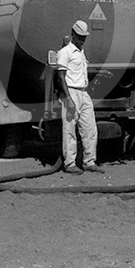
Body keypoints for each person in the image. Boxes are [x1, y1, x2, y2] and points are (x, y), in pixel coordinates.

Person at [55, 20, 104, 175]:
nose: (82, 39)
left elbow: (80, 73)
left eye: (84, 37)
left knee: (90, 128)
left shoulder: (81, 53)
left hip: (83, 92)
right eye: (80, 36)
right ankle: (70, 163)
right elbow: (61, 76)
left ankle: (89, 161)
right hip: (71, 92)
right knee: (69, 129)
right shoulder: (65, 52)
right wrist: (68, 98)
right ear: (73, 34)